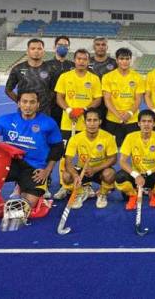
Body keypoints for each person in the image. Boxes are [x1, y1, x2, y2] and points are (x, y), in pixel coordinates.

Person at [0, 91, 63, 212]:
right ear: (18, 103)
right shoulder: (5, 120)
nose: (28, 106)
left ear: (38, 104)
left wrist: (47, 171)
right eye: (24, 102)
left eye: (32, 102)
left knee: (26, 206)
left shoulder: (48, 123)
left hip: (34, 168)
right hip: (10, 164)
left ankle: (27, 186)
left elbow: (58, 148)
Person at [53, 49, 102, 199]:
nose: (81, 61)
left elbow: (97, 99)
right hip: (68, 123)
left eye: (84, 59)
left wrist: (84, 110)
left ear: (88, 61)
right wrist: (69, 110)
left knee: (84, 154)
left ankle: (84, 185)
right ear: (74, 60)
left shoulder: (93, 79)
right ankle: (65, 185)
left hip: (86, 124)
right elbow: (59, 97)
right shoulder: (65, 77)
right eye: (79, 58)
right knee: (65, 155)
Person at [115, 110, 155, 209]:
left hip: (152, 174)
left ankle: (154, 194)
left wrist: (150, 171)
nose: (146, 124)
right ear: (138, 123)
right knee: (119, 177)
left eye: (149, 121)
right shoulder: (130, 137)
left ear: (154, 124)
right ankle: (133, 194)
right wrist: (136, 175)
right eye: (143, 121)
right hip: (136, 174)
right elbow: (122, 161)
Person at [63, 108, 117, 209]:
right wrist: (75, 176)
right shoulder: (75, 138)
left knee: (110, 174)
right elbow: (68, 161)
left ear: (100, 121)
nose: (92, 124)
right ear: (84, 121)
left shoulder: (108, 137)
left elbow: (113, 159)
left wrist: (95, 169)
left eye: (95, 120)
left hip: (99, 170)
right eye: (89, 120)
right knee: (66, 176)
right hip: (83, 170)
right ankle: (81, 192)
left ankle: (102, 193)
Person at [101, 47, 145, 146]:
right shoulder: (107, 77)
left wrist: (129, 113)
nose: (124, 61)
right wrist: (118, 115)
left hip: (132, 120)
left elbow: (138, 99)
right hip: (113, 120)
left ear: (131, 60)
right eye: (121, 59)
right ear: (116, 60)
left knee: (134, 149)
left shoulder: (138, 77)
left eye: (127, 59)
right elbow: (107, 99)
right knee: (112, 151)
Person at [5, 38, 52, 115]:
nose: (36, 51)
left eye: (39, 48)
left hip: (44, 112)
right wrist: (20, 102)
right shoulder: (18, 68)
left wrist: (45, 102)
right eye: (33, 48)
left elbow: (54, 91)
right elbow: (8, 90)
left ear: (43, 52)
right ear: (27, 51)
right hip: (24, 112)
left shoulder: (50, 69)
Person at [45, 35, 74, 127]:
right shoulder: (46, 65)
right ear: (54, 47)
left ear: (69, 48)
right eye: (60, 44)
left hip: (69, 105)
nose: (63, 47)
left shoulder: (73, 66)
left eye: (65, 45)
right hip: (50, 106)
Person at [89, 36, 117, 122]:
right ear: (94, 47)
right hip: (91, 100)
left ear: (107, 47)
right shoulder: (87, 61)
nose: (101, 47)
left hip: (110, 101)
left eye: (103, 44)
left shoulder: (114, 63)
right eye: (98, 44)